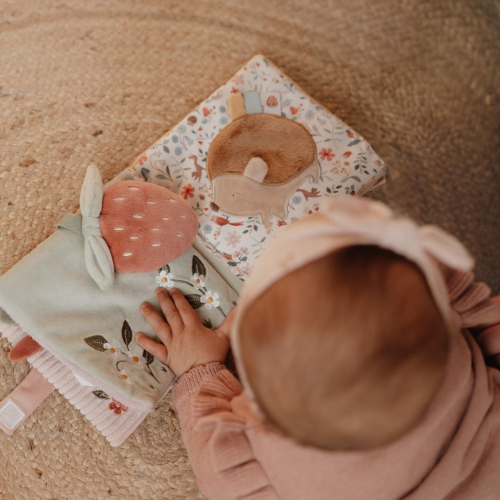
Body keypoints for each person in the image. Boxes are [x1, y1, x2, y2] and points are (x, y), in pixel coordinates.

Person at [135, 197, 500, 500]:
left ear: (261, 403)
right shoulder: (436, 328)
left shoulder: (270, 471)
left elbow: (214, 473)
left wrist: (200, 368)